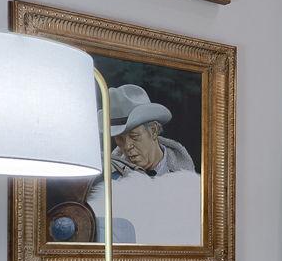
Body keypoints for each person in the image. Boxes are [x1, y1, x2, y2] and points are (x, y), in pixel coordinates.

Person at [85, 83, 202, 244]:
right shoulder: (108, 179)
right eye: (119, 138)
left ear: (153, 131)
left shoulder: (188, 180)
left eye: (134, 136)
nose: (127, 146)